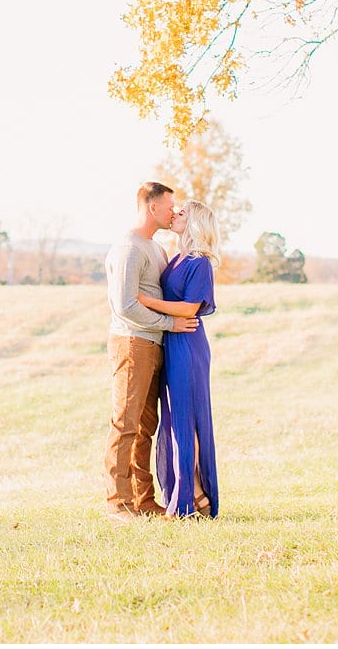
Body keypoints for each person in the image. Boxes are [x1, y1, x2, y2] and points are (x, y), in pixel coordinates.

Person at [102, 181, 200, 522]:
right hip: (133, 342)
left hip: (153, 344)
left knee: (146, 427)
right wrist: (171, 324)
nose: (174, 211)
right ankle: (118, 502)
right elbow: (126, 305)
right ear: (151, 206)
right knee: (125, 424)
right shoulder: (129, 248)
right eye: (169, 205)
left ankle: (143, 500)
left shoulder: (155, 249)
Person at [138, 198, 220, 519]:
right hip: (172, 342)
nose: (175, 214)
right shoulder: (176, 258)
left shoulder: (200, 262)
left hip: (187, 345)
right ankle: (189, 494)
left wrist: (143, 300)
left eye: (182, 213)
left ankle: (192, 497)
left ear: (195, 222)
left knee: (187, 420)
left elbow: (189, 309)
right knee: (175, 420)